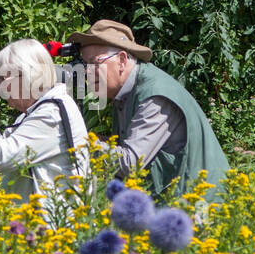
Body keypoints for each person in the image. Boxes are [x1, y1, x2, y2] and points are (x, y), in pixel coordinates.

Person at [67, 19, 229, 201]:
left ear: (121, 60)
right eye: (85, 65)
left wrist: (79, 144)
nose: (87, 72)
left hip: (205, 209)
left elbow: (130, 163)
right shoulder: (126, 92)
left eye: (94, 63)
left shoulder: (154, 95)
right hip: (179, 205)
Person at [0, 39, 90, 221]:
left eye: (2, 78)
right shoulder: (37, 111)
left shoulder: (51, 115)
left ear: (27, 75)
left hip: (56, 234)